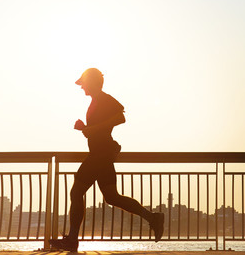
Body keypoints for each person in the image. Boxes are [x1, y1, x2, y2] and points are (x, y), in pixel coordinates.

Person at [49, 68, 164, 251]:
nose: (81, 88)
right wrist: (85, 128)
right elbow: (98, 128)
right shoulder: (96, 101)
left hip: (99, 155)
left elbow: (120, 118)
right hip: (101, 154)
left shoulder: (104, 98)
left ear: (92, 83)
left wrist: (92, 129)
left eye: (83, 83)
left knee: (76, 191)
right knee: (112, 197)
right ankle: (152, 217)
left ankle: (72, 239)